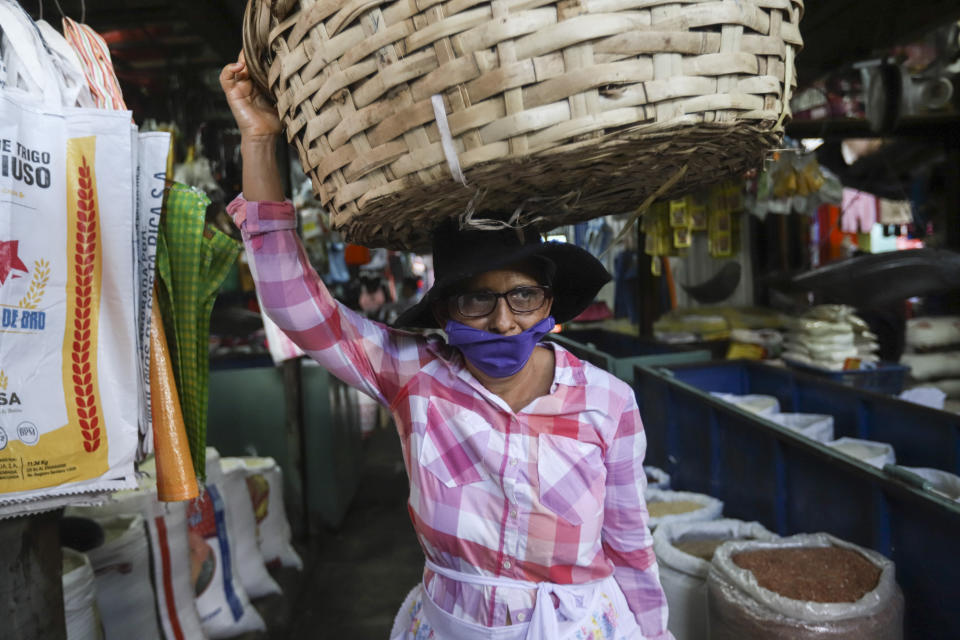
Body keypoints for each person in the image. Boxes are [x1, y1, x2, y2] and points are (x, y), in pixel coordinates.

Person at [220, 53, 673, 640]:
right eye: (477, 301)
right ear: (441, 311)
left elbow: (632, 549)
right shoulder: (415, 376)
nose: (505, 323)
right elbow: (294, 306)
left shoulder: (608, 403)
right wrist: (258, 141)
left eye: (524, 297)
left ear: (550, 301)